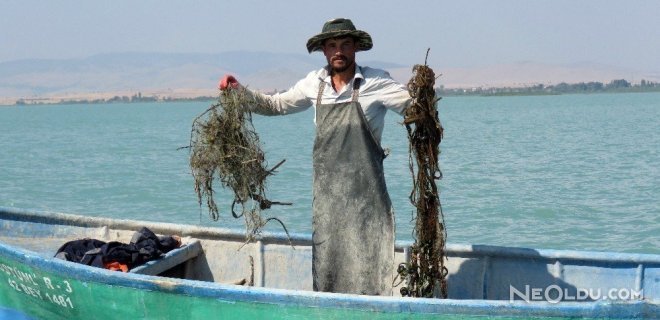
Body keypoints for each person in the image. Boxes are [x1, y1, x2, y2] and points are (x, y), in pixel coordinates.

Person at [219, 18, 411, 296]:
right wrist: (239, 91)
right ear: (323, 50)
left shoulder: (376, 82)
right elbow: (276, 104)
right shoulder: (314, 83)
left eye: (345, 44)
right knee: (329, 265)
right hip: (327, 198)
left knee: (372, 259)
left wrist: (423, 103)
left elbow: (413, 108)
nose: (339, 51)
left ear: (356, 47)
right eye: (332, 45)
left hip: (367, 198)